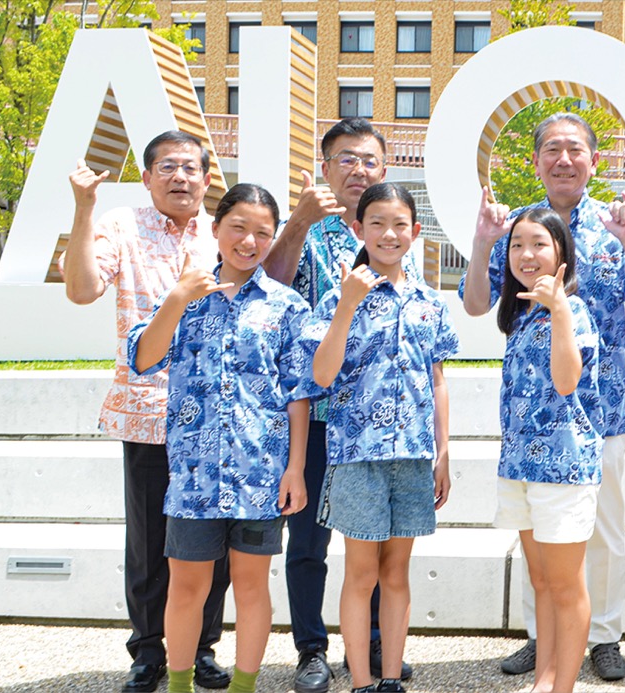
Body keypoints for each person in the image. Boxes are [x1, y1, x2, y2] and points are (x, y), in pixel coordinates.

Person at [462, 112, 625, 682]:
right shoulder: (521, 229)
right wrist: (484, 243)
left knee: (603, 530)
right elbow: (477, 303)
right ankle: (541, 637)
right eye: (552, 149)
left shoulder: (614, 223)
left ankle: (604, 637)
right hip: (534, 418)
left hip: (602, 409)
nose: (564, 159)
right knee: (542, 540)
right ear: (535, 161)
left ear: (595, 161)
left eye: (576, 149)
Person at [127, 183, 314, 693]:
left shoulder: (286, 305)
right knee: (186, 587)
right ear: (215, 229)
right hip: (193, 477)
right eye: (238, 228)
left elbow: (298, 392)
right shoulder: (184, 294)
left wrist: (295, 468)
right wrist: (176, 299)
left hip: (260, 476)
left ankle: (244, 686)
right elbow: (144, 359)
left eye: (262, 233)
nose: (249, 242)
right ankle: (180, 684)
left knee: (251, 587)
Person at [62, 130, 231, 692]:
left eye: (190, 168)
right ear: (146, 177)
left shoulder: (222, 232)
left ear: (207, 179)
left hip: (215, 418)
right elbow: (81, 290)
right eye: (167, 167)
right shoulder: (121, 225)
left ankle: (201, 648)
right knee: (149, 540)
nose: (180, 177)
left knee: (211, 542)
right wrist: (83, 208)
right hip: (147, 412)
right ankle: (149, 650)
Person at [262, 118, 421, 693]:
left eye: (369, 160)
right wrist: (298, 221)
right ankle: (311, 649)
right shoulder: (308, 228)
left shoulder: (395, 236)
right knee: (307, 541)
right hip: (315, 416)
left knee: (375, 543)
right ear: (325, 168)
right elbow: (268, 284)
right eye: (346, 159)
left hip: (378, 425)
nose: (358, 169)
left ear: (385, 168)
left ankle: (376, 645)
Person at [308, 183, 457, 693]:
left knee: (396, 573)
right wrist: (347, 305)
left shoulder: (429, 302)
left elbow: (437, 379)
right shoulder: (338, 297)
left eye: (398, 225)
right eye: (376, 223)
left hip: (413, 455)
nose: (388, 234)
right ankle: (361, 682)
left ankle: (391, 678)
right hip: (357, 456)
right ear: (359, 229)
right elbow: (321, 375)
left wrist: (443, 451)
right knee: (361, 573)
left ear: (414, 232)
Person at [492, 208, 603, 693]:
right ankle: (544, 679)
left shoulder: (571, 310)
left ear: (561, 251)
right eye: (517, 244)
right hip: (521, 466)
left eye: (538, 243)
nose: (526, 254)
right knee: (541, 583)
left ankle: (563, 687)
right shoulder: (520, 316)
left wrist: (559, 310)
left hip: (563, 469)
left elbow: (565, 381)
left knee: (564, 586)